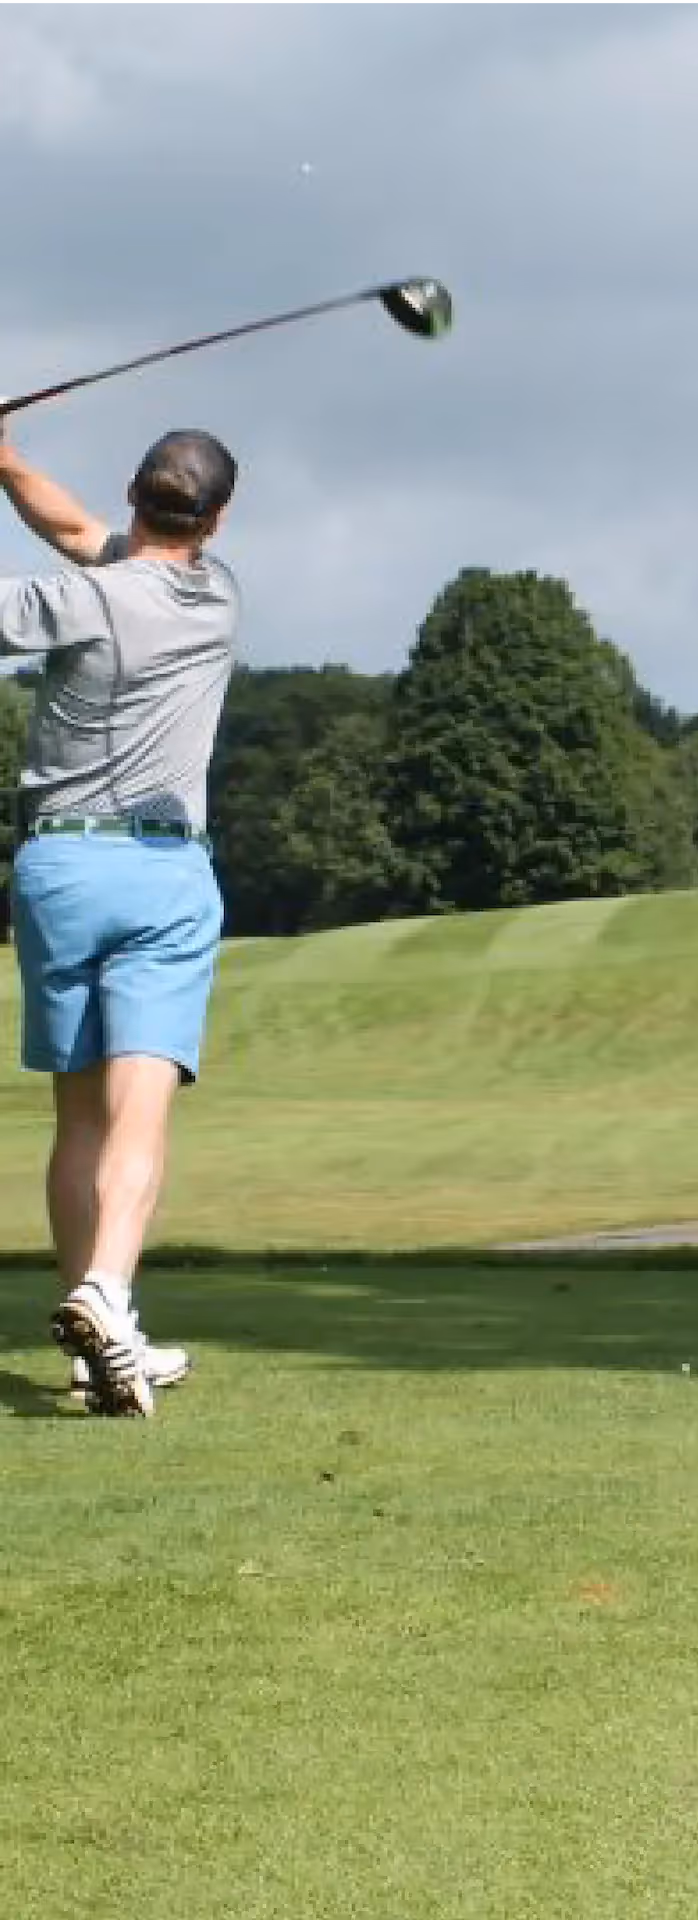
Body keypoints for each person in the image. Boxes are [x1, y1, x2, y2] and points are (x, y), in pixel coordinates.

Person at [0, 424, 240, 1416]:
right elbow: (81, 532)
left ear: (133, 499)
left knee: (79, 1115)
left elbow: (79, 539)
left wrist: (8, 459)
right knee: (140, 1106)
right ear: (214, 517)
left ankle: (103, 1340)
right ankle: (107, 1292)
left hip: (57, 869)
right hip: (161, 872)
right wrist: (6, 464)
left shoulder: (80, 598)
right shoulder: (217, 596)